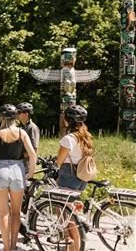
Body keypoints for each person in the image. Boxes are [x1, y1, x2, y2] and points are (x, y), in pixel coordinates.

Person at [0, 104, 36, 251]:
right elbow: (32, 154)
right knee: (16, 212)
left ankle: (6, 248)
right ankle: (14, 245)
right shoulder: (22, 133)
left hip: (1, 170)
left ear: (1, 117)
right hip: (18, 171)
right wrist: (31, 173)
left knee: (3, 213)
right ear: (16, 117)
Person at [56, 105, 93, 251]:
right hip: (81, 178)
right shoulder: (87, 136)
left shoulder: (68, 139)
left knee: (66, 215)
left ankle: (75, 246)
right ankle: (70, 246)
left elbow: (59, 161)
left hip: (69, 176)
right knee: (72, 213)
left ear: (68, 120)